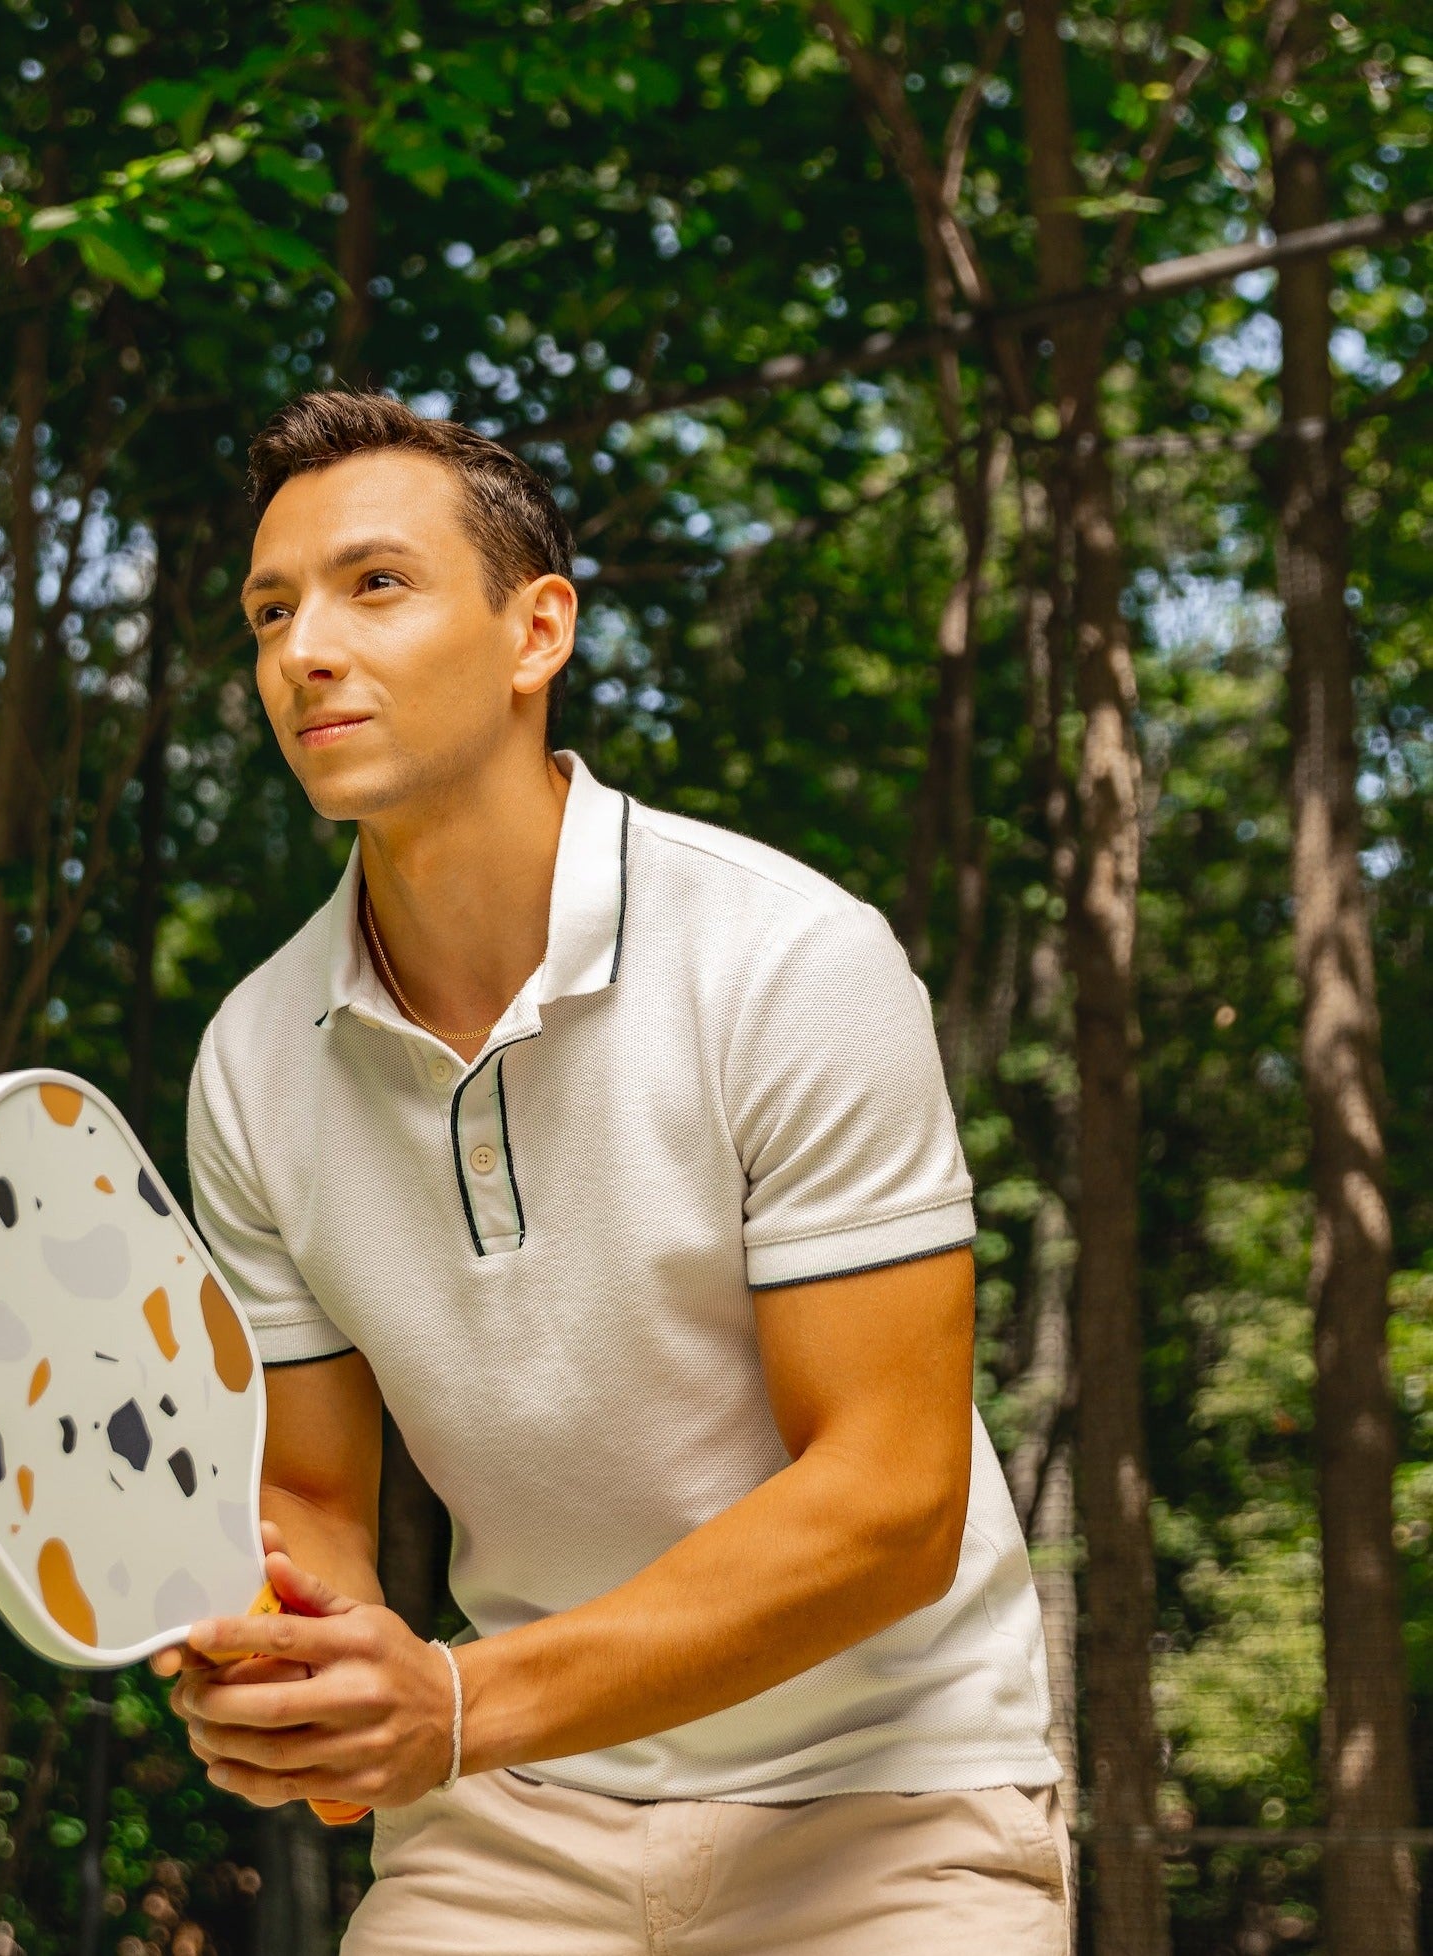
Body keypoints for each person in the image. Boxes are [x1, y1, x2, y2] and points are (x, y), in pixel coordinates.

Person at [148, 388, 1069, 1953]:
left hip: (886, 1801)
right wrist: (293, 1660)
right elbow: (311, 1495)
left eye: (377, 585)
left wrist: (449, 1702)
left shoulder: (791, 960)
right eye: (270, 608)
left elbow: (888, 1502)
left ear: (536, 633)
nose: (305, 649)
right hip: (520, 1814)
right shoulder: (251, 1062)